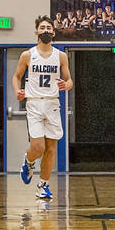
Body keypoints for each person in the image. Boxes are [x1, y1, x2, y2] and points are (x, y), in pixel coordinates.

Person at [15, 16, 71, 202]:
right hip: (34, 103)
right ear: (36, 32)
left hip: (53, 103)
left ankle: (43, 186)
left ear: (54, 32)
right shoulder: (27, 55)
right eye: (42, 27)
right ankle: (29, 161)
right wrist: (18, 91)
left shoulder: (61, 56)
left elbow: (69, 80)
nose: (46, 30)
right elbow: (16, 77)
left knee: (51, 148)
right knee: (38, 147)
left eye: (49, 27)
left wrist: (67, 84)